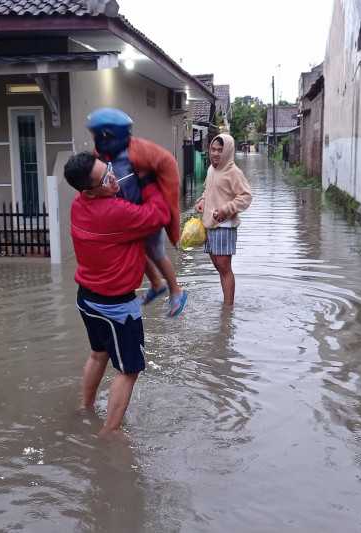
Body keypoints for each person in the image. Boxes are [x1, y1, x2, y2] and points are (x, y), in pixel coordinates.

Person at [64, 151, 170, 436]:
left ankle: (85, 408)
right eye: (104, 178)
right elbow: (160, 215)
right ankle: (108, 435)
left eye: (109, 169)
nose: (113, 178)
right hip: (116, 308)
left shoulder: (78, 205)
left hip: (87, 299)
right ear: (90, 190)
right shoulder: (116, 213)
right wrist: (149, 183)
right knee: (129, 370)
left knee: (98, 354)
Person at [87, 108, 187, 317]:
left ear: (108, 135)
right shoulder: (104, 156)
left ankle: (176, 290)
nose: (95, 139)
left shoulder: (138, 154)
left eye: (97, 135)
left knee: (157, 253)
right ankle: (157, 285)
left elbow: (166, 164)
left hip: (147, 213)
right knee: (137, 252)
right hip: (128, 214)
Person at [195, 134, 252, 306]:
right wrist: (202, 201)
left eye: (220, 150)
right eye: (213, 149)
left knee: (225, 268)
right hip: (210, 225)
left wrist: (226, 210)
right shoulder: (212, 169)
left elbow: (246, 197)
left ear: (227, 150)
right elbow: (209, 190)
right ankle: (226, 306)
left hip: (225, 226)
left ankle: (228, 310)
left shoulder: (233, 172)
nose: (216, 153)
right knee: (219, 267)